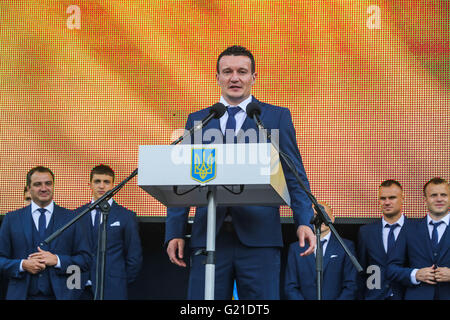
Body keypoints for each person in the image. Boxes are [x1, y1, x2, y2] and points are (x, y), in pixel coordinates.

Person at [165, 45, 316, 299]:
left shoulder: (275, 117)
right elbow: (184, 179)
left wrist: (304, 220)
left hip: (260, 239)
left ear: (253, 77)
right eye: (227, 71)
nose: (234, 78)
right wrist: (175, 232)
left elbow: (294, 174)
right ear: (218, 78)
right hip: (210, 237)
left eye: (242, 71)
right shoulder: (199, 120)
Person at [0, 166, 91, 300]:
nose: (44, 188)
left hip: (62, 296)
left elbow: (86, 260)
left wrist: (58, 260)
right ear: (29, 188)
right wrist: (22, 265)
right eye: (37, 184)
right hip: (21, 295)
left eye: (48, 183)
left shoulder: (72, 218)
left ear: (53, 185)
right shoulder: (11, 219)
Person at [75, 164, 142, 300]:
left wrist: (118, 280)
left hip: (113, 288)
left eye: (106, 182)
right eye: (97, 181)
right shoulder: (76, 215)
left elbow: (134, 257)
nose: (101, 186)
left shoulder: (126, 216)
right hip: (80, 288)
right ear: (90, 184)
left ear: (113, 185)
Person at [387, 177, 450, 300]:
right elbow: (391, 268)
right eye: (433, 195)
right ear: (425, 199)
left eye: (443, 195)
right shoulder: (409, 229)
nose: (439, 199)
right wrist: (415, 274)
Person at [284, 201, 358, 300]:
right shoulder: (296, 248)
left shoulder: (346, 247)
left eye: (324, 215)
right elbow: (290, 287)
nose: (320, 219)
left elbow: (351, 285)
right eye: (315, 215)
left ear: (332, 218)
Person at [357, 179, 410, 300]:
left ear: (402, 198)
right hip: (374, 296)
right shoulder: (366, 232)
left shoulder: (415, 229)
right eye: (383, 198)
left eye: (392, 198)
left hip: (405, 294)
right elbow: (361, 271)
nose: (387, 202)